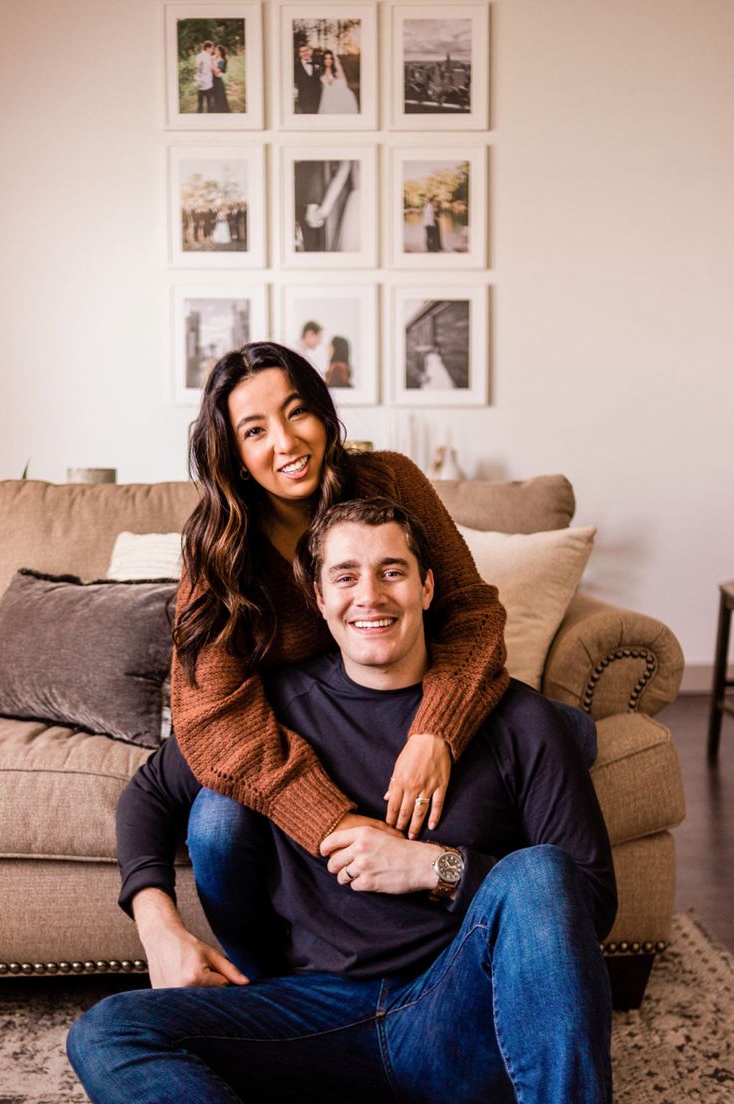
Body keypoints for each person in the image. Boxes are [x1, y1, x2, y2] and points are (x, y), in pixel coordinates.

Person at [67, 499, 616, 1104]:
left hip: (457, 1016)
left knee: (540, 871)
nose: (370, 596)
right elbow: (148, 795)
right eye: (346, 576)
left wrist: (434, 867)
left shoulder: (521, 720)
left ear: (427, 587)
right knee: (108, 1031)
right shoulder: (270, 712)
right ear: (319, 597)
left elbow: (587, 901)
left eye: (392, 571)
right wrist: (159, 925)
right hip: (311, 1014)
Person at [161, 342, 510, 861]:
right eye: (254, 431)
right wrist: (331, 819)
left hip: (409, 703)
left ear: (323, 412)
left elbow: (471, 613)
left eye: (296, 411)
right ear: (232, 453)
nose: (286, 442)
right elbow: (212, 709)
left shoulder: (390, 479)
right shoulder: (218, 547)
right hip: (300, 737)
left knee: (568, 735)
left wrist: (436, 732)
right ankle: (256, 948)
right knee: (217, 828)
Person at [318, 49, 359, 115]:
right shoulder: (321, 70)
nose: (328, 60)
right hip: (326, 98)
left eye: (330, 58)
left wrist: (334, 83)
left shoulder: (337, 71)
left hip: (336, 98)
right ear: (323, 60)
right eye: (326, 58)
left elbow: (343, 85)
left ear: (333, 60)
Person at [293, 42, 322, 113]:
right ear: (299, 54)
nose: (305, 53)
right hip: (304, 100)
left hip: (318, 99)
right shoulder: (295, 68)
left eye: (306, 50)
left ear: (310, 51)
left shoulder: (318, 64)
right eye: (302, 52)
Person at [193, 40, 215, 113]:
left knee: (200, 100)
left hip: (199, 80)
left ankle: (200, 113)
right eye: (212, 48)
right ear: (207, 48)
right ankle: (209, 114)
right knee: (209, 101)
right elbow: (211, 68)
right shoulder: (209, 57)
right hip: (207, 81)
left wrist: (197, 78)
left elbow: (196, 68)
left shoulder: (198, 55)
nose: (213, 50)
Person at [211, 45, 230, 113]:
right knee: (215, 97)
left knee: (219, 97)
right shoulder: (214, 58)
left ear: (220, 52)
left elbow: (216, 72)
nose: (215, 51)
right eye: (215, 50)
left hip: (217, 80)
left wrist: (212, 65)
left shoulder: (221, 60)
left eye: (216, 50)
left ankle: (221, 111)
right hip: (213, 79)